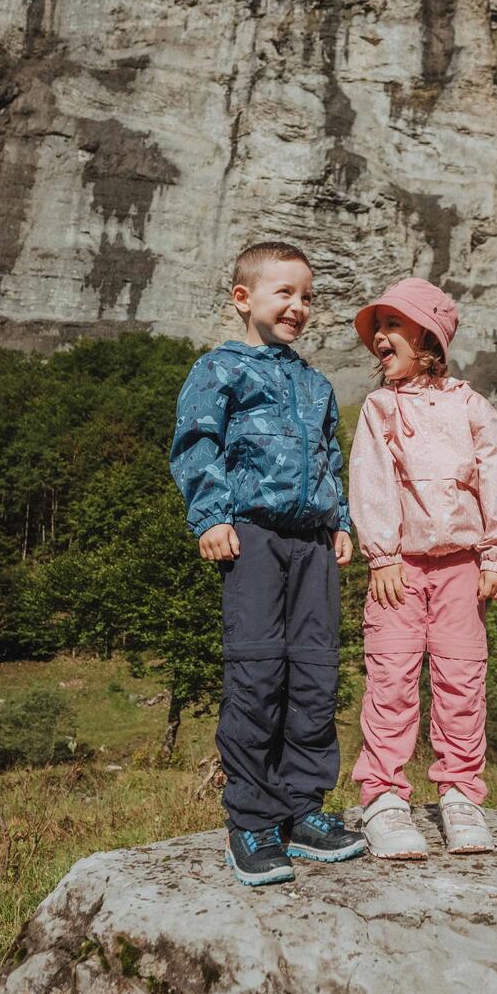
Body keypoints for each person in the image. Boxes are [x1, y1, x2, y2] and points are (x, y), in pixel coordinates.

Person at [169, 241, 367, 886]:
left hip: (313, 546)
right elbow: (198, 445)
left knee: (314, 674)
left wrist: (339, 523)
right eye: (284, 292)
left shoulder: (314, 384)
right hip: (251, 538)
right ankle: (251, 819)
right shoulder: (219, 370)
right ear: (243, 298)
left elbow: (328, 460)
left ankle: (303, 809)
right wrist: (211, 516)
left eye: (307, 296)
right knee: (257, 674)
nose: (298, 306)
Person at [348, 278, 497, 858]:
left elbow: (494, 479)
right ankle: (383, 799)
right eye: (377, 328)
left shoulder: (473, 407)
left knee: (461, 681)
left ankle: (460, 795)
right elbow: (372, 481)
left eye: (393, 325)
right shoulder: (380, 408)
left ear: (428, 336)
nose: (380, 336)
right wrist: (382, 554)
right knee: (391, 680)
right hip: (397, 569)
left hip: (463, 568)